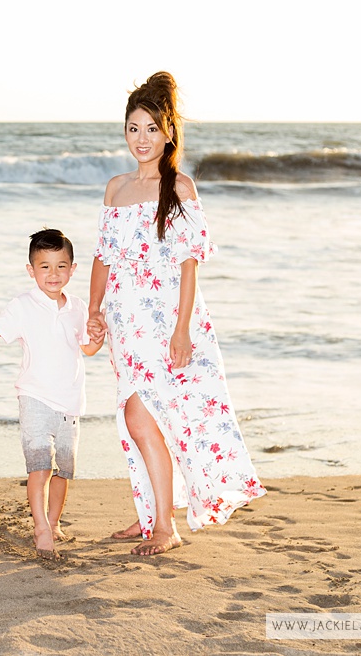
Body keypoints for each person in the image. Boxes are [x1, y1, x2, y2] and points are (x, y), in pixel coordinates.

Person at [88, 72, 265, 556]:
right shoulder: (115, 189)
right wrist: (93, 312)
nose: (141, 139)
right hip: (126, 322)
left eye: (150, 129)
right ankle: (152, 514)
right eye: (132, 128)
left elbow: (189, 264)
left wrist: (182, 328)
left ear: (167, 133)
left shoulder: (179, 187)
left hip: (166, 320)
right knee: (138, 418)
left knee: (145, 415)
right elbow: (103, 257)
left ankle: (165, 526)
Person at [0, 229, 102, 560]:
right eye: (45, 267)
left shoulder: (78, 308)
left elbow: (89, 348)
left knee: (63, 470)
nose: (53, 274)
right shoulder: (23, 305)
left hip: (71, 402)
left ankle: (53, 522)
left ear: (73, 269)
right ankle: (41, 529)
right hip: (34, 398)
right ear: (31, 270)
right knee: (40, 466)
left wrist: (98, 333)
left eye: (61, 266)